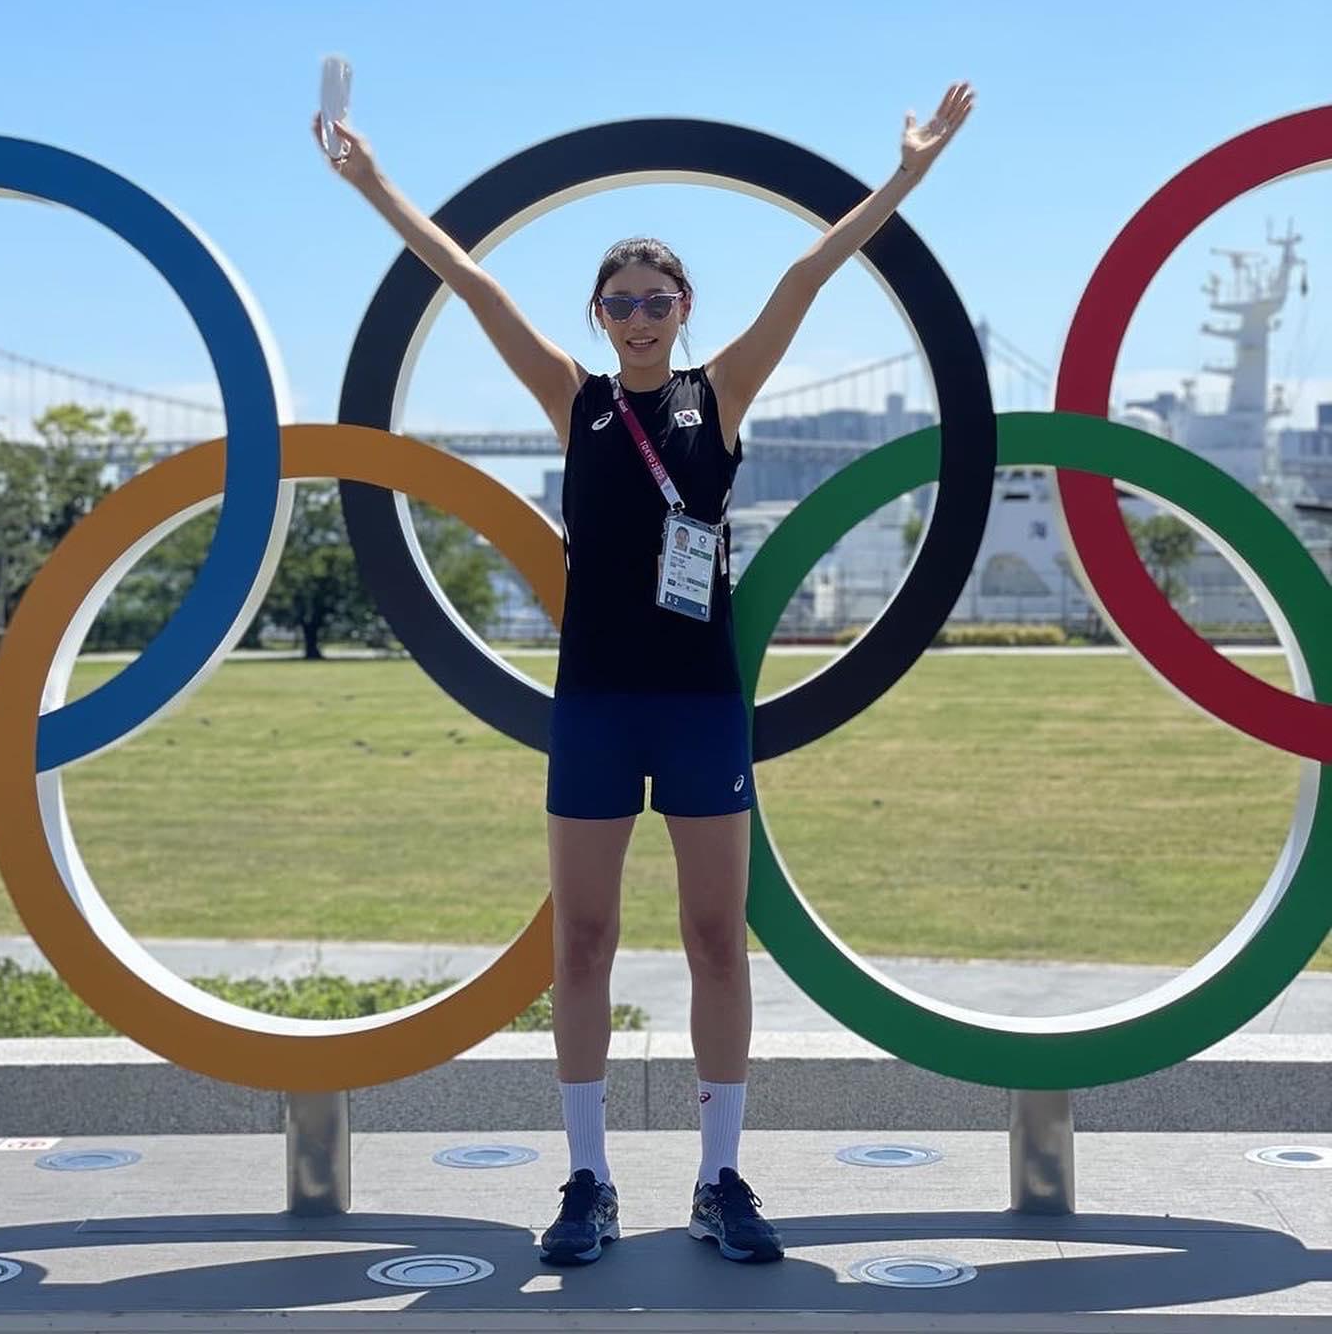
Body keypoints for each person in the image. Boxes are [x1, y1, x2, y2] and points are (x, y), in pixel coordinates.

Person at [313, 84, 974, 1265]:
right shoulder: (573, 400)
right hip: (596, 706)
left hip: (701, 703)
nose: (636, 318)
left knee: (717, 940)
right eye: (618, 302)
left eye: (655, 300)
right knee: (583, 942)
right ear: (599, 314)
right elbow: (471, 283)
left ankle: (720, 1181)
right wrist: (373, 186)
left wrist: (910, 175)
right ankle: (587, 1180)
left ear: (683, 309)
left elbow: (809, 274)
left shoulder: (720, 395)